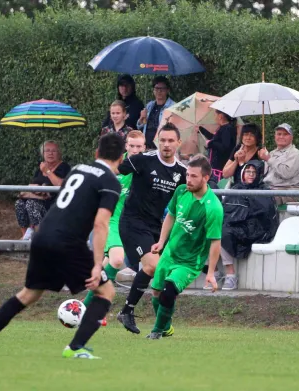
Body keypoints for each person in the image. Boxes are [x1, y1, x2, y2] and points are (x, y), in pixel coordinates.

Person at [0, 133, 124, 359]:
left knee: (28, 294)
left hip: (43, 235)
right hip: (68, 242)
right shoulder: (110, 182)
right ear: (120, 157)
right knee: (106, 290)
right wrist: (98, 264)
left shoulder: (78, 169)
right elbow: (100, 224)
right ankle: (76, 348)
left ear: (96, 153)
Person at [116, 123, 187, 334]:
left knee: (164, 276)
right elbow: (117, 168)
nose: (166, 145)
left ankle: (162, 323)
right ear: (157, 142)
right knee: (152, 266)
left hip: (157, 227)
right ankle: (126, 311)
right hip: (132, 222)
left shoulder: (182, 173)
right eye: (162, 140)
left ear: (178, 143)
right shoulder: (142, 161)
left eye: (170, 141)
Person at [146, 156, 224, 339]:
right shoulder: (181, 191)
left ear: (206, 177)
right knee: (156, 292)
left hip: (189, 261)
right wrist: (161, 241)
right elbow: (171, 216)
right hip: (170, 253)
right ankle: (166, 327)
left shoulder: (213, 208)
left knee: (168, 290)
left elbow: (215, 242)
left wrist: (211, 273)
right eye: (187, 174)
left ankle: (157, 331)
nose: (188, 179)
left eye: (193, 176)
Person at [82, 130, 146, 316]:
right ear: (126, 146)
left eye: (139, 146)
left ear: (144, 147)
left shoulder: (145, 166)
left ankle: (87, 308)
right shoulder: (116, 164)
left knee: (106, 267)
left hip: (130, 221)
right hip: (110, 218)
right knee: (118, 260)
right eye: (132, 146)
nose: (135, 149)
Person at [216, 161, 278, 291]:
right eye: (248, 171)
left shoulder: (264, 191)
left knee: (223, 232)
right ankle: (212, 272)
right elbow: (226, 209)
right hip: (235, 225)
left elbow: (265, 217)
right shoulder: (236, 188)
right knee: (211, 228)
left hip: (255, 229)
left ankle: (230, 275)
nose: (250, 175)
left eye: (254, 172)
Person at [15, 140, 70, 240]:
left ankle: (40, 237)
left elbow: (61, 184)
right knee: (19, 203)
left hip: (53, 205)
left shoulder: (64, 167)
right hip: (38, 200)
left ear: (59, 154)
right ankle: (26, 235)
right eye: (47, 151)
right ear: (42, 154)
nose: (50, 153)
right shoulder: (40, 168)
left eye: (54, 151)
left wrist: (47, 171)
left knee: (31, 204)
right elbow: (33, 184)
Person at [258, 123, 299, 205]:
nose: (281, 137)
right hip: (268, 190)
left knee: (258, 199)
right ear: (275, 136)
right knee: (244, 194)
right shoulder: (272, 153)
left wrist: (268, 159)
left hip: (287, 193)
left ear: (291, 137)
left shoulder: (295, 154)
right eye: (279, 134)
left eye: (285, 134)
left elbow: (286, 173)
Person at [198, 110, 238, 184]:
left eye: (215, 115)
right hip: (216, 166)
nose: (214, 118)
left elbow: (225, 147)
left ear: (220, 116)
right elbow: (215, 139)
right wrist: (201, 130)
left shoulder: (227, 129)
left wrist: (210, 144)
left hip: (220, 168)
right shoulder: (224, 128)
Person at [138, 76, 176, 150]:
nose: (159, 91)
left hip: (162, 147)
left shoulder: (173, 106)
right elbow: (140, 126)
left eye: (162, 89)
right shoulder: (149, 105)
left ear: (167, 90)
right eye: (157, 88)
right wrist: (141, 118)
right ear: (153, 90)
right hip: (147, 146)